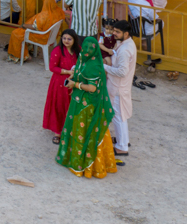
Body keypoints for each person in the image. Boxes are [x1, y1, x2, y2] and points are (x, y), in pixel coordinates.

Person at [56, 38, 118, 178]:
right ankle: (75, 160)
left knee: (84, 132)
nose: (87, 51)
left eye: (90, 49)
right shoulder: (83, 60)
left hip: (89, 105)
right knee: (77, 130)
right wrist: (73, 77)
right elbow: (79, 73)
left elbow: (92, 87)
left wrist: (75, 85)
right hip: (78, 101)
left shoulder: (94, 66)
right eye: (85, 48)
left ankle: (88, 167)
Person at [103, 20, 136, 157]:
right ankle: (123, 141)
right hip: (119, 86)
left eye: (117, 32)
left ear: (126, 33)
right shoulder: (126, 43)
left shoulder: (125, 50)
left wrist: (104, 67)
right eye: (114, 31)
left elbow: (122, 72)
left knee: (118, 116)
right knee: (120, 115)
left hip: (118, 87)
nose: (114, 33)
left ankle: (122, 147)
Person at [44, 30, 79, 143]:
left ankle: (70, 130)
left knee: (71, 106)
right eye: (64, 38)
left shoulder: (78, 50)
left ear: (74, 40)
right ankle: (57, 132)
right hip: (60, 83)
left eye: (69, 39)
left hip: (74, 82)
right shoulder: (58, 50)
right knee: (59, 106)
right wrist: (67, 72)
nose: (66, 41)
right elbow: (52, 67)